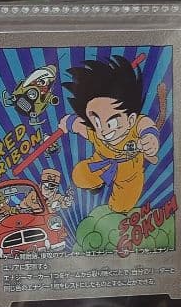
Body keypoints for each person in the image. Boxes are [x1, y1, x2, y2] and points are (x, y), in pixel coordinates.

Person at [58, 55, 160, 213]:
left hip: (129, 174)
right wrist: (68, 122)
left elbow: (144, 123)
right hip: (100, 164)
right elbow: (79, 124)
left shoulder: (134, 126)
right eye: (97, 122)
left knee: (120, 206)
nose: (104, 130)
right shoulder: (95, 131)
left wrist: (150, 137)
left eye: (111, 122)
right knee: (79, 176)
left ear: (130, 119)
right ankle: (97, 184)